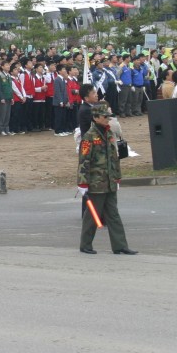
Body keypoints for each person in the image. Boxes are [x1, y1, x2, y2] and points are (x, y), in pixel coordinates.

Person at [77, 103, 136, 256]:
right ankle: (85, 244)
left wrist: (117, 178)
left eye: (108, 116)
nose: (107, 119)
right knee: (92, 216)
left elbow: (114, 158)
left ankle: (120, 245)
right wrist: (82, 182)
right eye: (104, 117)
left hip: (109, 181)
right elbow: (84, 160)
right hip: (96, 182)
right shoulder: (89, 137)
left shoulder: (109, 134)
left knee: (113, 214)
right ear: (96, 118)